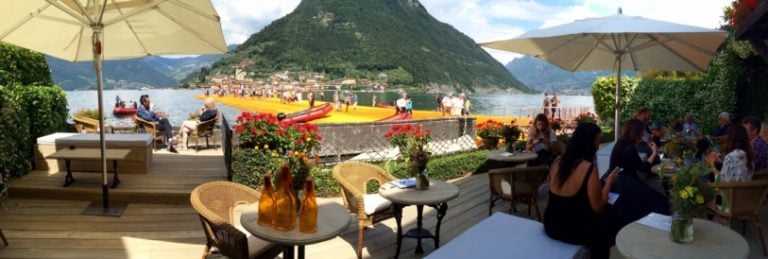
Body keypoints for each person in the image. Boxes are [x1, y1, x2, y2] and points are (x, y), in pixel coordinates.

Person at [544, 122, 619, 259]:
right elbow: (598, 207)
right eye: (597, 141)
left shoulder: (557, 162)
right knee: (608, 218)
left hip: (551, 224)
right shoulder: (588, 168)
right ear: (588, 143)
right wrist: (609, 182)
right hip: (573, 232)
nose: (598, 145)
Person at [603, 119, 669, 257]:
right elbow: (643, 168)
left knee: (652, 200)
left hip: (619, 181)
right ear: (636, 133)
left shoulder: (623, 144)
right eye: (642, 132)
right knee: (659, 202)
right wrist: (654, 152)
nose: (644, 135)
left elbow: (637, 164)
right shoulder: (628, 147)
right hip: (621, 183)